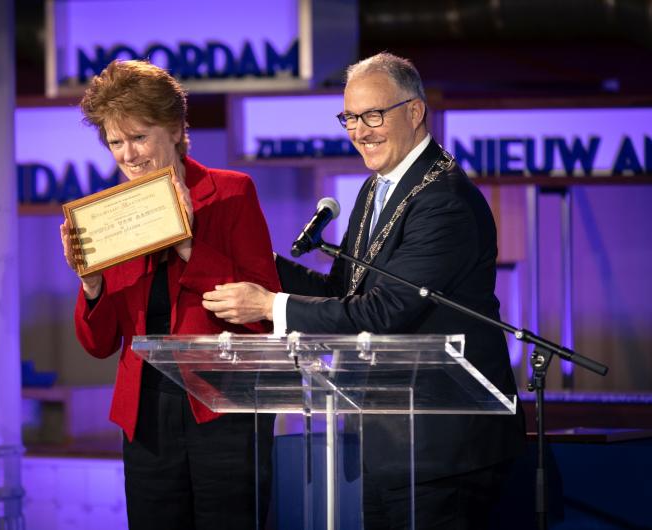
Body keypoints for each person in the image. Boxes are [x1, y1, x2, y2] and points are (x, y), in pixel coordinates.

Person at [202, 52, 526, 529]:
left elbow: (386, 310)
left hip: (445, 450)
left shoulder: (445, 201)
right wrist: (263, 266)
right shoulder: (377, 188)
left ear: (414, 112)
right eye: (350, 117)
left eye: (373, 115)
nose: (360, 130)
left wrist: (271, 305)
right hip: (389, 439)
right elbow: (344, 292)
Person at [60, 59, 280, 530]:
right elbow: (98, 345)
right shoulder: (108, 215)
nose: (129, 155)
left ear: (178, 129)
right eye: (116, 142)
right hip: (145, 416)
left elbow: (265, 315)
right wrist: (90, 284)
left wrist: (188, 245)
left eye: (139, 137)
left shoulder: (231, 194)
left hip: (222, 407)